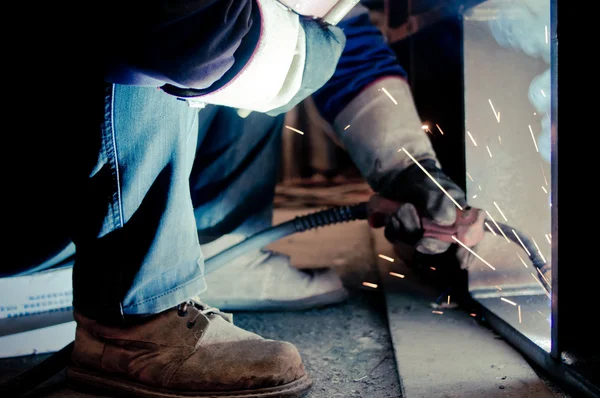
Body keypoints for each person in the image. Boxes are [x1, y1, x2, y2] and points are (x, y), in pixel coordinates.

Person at [8, 1, 467, 397]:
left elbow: (344, 32)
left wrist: (408, 170)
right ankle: (133, 320)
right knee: (212, 44)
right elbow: (175, 30)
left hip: (72, 199)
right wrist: (302, 51)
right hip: (30, 215)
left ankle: (212, 249)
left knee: (274, 29)